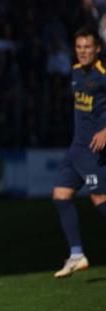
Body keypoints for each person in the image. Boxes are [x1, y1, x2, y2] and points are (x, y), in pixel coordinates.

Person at [51, 27, 106, 278]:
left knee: (100, 202)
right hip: (76, 148)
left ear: (98, 49)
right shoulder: (74, 72)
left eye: (88, 47)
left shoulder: (103, 74)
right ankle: (76, 255)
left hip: (95, 151)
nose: (83, 51)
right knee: (61, 196)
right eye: (79, 47)